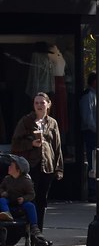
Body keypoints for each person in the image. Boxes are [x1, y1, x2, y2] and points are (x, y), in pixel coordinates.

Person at [9, 92, 63, 233]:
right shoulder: (26, 121)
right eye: (36, 103)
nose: (39, 105)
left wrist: (59, 168)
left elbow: (57, 147)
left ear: (48, 104)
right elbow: (15, 144)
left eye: (42, 102)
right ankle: (29, 229)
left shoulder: (52, 123)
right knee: (30, 198)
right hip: (30, 166)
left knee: (42, 199)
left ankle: (39, 231)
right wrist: (31, 143)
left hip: (47, 167)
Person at [0, 154, 47, 246]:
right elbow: (1, 188)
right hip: (9, 201)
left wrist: (24, 199)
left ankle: (34, 226)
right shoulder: (7, 179)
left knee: (30, 206)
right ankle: (7, 214)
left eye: (12, 166)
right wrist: (3, 192)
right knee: (2, 200)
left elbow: (31, 194)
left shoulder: (26, 181)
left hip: (20, 204)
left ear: (18, 170)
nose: (9, 167)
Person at [80, 72, 97, 201]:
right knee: (93, 162)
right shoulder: (88, 96)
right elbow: (88, 118)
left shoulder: (97, 95)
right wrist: (98, 130)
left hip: (98, 133)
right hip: (92, 134)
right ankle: (93, 191)